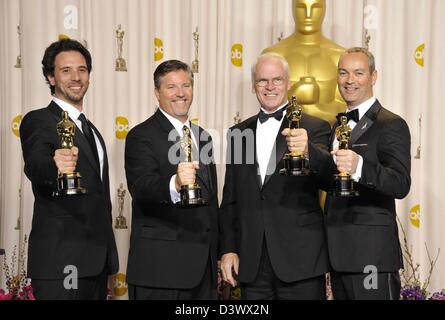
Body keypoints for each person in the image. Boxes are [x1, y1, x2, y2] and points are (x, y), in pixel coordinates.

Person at [219, 53, 332, 299]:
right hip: (252, 262)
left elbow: (330, 179)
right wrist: (228, 249)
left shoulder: (315, 127)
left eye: (277, 80)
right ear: (253, 86)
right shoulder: (238, 133)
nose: (270, 87)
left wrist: (308, 151)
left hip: (301, 260)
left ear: (288, 83)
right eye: (262, 81)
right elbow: (230, 198)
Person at [19, 39, 119, 300]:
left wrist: (109, 260)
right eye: (66, 71)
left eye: (82, 70)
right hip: (61, 262)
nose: (76, 77)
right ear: (51, 77)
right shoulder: (38, 120)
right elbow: (35, 164)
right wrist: (55, 167)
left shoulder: (92, 130)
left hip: (95, 263)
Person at [124, 60, 219, 300]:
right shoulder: (140, 135)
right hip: (161, 272)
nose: (180, 93)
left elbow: (211, 199)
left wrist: (219, 253)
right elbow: (141, 187)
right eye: (171, 87)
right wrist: (174, 184)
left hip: (203, 271)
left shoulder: (203, 136)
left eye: (186, 85)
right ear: (157, 93)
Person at [325, 47, 411, 300]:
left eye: (358, 73)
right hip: (338, 256)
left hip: (371, 257)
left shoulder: (391, 124)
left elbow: (400, 183)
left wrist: (360, 166)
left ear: (374, 76)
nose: (349, 80)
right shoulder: (336, 126)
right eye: (343, 73)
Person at [263, 0, 345, 124]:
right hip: (282, 138)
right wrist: (294, 94)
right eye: (301, 7)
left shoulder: (339, 56)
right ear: (292, 9)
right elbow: (266, 108)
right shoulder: (273, 55)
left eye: (315, 7)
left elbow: (346, 110)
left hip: (325, 139)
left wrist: (314, 110)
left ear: (324, 9)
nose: (308, 14)